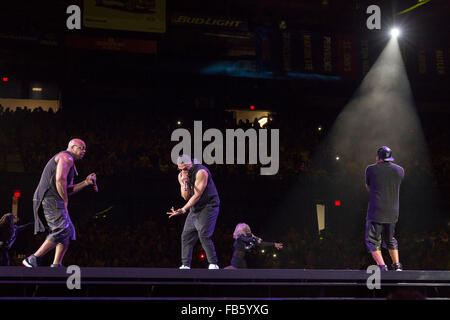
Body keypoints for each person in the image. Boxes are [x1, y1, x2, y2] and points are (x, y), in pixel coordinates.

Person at [22, 139, 96, 268]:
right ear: (72, 147)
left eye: (85, 148)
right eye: (81, 148)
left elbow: (67, 188)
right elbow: (60, 180)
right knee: (62, 228)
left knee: (68, 230)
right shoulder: (66, 157)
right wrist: (65, 200)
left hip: (52, 198)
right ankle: (33, 258)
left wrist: (86, 182)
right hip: (49, 198)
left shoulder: (70, 162)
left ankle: (56, 264)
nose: (84, 151)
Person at [167, 155, 220, 269]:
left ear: (191, 163)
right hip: (195, 208)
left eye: (185, 168)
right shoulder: (181, 176)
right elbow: (186, 197)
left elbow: (197, 195)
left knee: (204, 233)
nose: (183, 171)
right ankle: (185, 265)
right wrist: (184, 183)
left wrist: (183, 209)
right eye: (180, 169)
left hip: (209, 205)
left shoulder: (201, 172)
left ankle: (213, 264)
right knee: (186, 235)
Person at [365, 146, 404, 271]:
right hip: (393, 211)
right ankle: (397, 265)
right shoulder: (400, 170)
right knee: (390, 238)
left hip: (376, 210)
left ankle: (382, 266)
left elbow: (369, 187)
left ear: (378, 158)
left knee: (372, 240)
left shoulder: (370, 169)